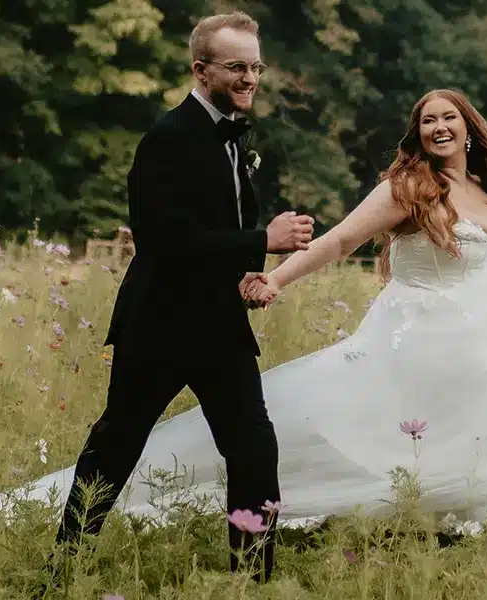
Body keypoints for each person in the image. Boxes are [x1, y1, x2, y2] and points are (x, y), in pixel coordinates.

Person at [0, 87, 487, 574]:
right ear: (418, 134)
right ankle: (204, 535)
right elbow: (336, 242)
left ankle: (428, 530)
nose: (439, 127)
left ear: (471, 129)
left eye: (449, 118)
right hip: (407, 340)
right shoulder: (407, 187)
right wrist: (275, 278)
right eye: (427, 120)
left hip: (463, 353)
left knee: (466, 426)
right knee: (310, 433)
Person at [43, 10, 311, 581]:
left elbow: (214, 229)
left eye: (256, 66)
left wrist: (248, 274)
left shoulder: (236, 137)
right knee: (117, 446)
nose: (250, 78)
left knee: (254, 450)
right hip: (159, 325)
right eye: (236, 66)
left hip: (218, 325)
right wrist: (265, 240)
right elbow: (165, 242)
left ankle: (250, 582)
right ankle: (61, 571)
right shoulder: (167, 137)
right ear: (201, 68)